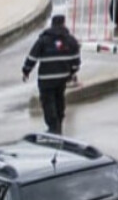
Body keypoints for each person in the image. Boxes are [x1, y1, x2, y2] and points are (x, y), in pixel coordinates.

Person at [23, 7, 81, 135]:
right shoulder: (71, 41)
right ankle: (58, 124)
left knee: (48, 102)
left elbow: (32, 57)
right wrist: (71, 73)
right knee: (59, 99)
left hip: (46, 79)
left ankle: (53, 128)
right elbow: (76, 61)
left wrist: (26, 70)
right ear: (64, 24)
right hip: (62, 78)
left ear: (52, 24)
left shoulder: (43, 40)